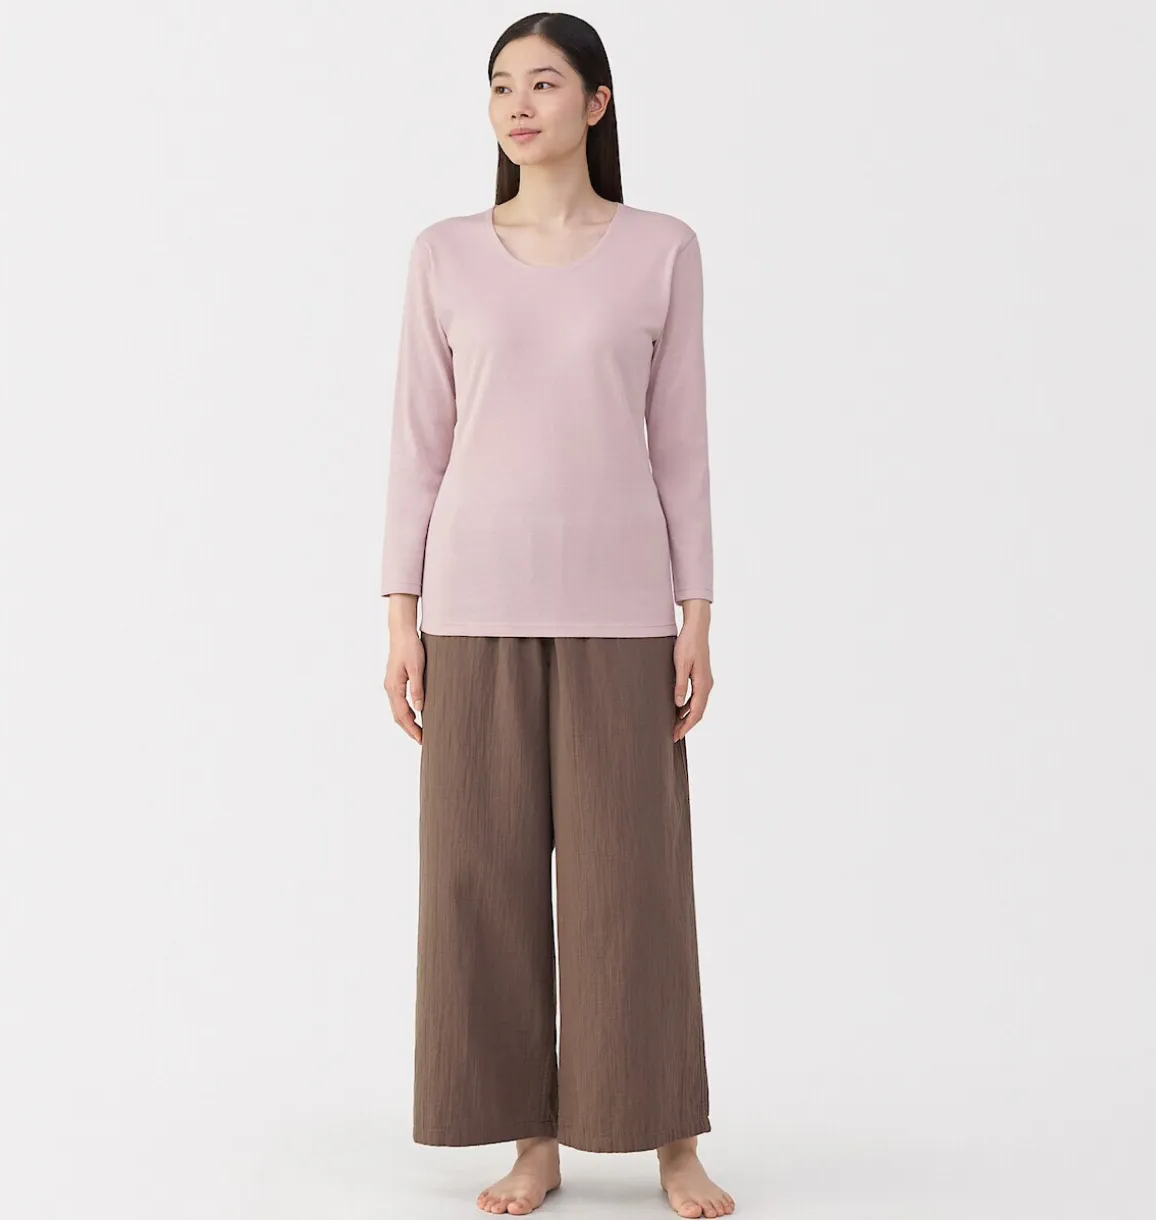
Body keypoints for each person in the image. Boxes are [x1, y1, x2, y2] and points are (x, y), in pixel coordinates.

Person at [380, 14, 734, 1219]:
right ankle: (530, 1139)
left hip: (621, 608)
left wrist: (695, 609)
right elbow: (416, 446)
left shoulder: (661, 250)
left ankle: (669, 1141)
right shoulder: (441, 254)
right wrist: (399, 613)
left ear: (595, 103)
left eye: (542, 83)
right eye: (499, 87)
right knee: (478, 879)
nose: (517, 105)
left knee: (630, 885)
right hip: (469, 601)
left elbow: (680, 445)